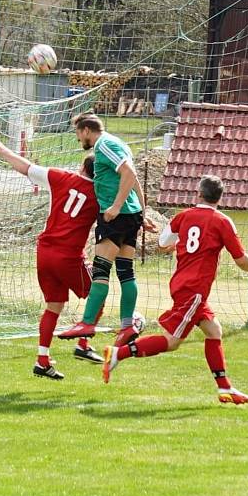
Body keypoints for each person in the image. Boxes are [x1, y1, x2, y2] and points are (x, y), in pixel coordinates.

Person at [100, 174, 248, 404]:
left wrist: (179, 244)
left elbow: (163, 243)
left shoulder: (182, 216)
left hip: (184, 285)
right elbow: (240, 258)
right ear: (220, 197)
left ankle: (224, 388)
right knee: (172, 342)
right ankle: (117, 353)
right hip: (194, 289)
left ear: (199, 193)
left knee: (214, 330)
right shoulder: (223, 221)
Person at [0, 138, 105, 380]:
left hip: (44, 252)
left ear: (82, 167)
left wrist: (0, 149)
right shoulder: (99, 195)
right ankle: (83, 345)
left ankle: (42, 360)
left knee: (53, 306)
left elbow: (25, 167)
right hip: (68, 256)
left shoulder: (60, 177)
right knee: (98, 295)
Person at [59, 112, 157, 347]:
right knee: (125, 272)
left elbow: (130, 174)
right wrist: (141, 214)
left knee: (101, 271)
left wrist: (115, 206)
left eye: (77, 133)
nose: (77, 139)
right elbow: (131, 180)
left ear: (85, 130)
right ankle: (126, 326)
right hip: (130, 216)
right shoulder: (119, 143)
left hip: (117, 216)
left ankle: (87, 322)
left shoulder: (104, 144)